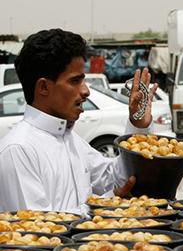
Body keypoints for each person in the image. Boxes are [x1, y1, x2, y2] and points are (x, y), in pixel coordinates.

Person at [0, 29, 158, 214]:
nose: (85, 91)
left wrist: (137, 123)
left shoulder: (70, 140)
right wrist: (103, 205)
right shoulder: (19, 150)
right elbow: (39, 229)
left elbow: (115, 178)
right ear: (43, 87)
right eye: (75, 81)